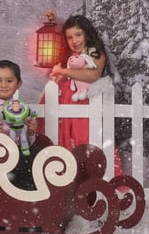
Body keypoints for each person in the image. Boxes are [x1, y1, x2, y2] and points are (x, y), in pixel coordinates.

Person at [47, 15, 122, 176]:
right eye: (69, 37)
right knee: (67, 141)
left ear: (87, 34)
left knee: (88, 140)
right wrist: (58, 76)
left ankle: (98, 179)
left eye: (78, 35)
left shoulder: (96, 54)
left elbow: (92, 76)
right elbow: (62, 80)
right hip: (67, 105)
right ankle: (71, 181)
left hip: (86, 104)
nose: (74, 40)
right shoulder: (69, 59)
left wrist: (65, 71)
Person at [0, 60, 39, 188]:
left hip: (19, 151)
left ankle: (30, 196)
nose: (3, 85)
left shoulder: (21, 107)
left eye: (9, 81)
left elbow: (26, 138)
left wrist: (31, 132)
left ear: (19, 84)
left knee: (35, 157)